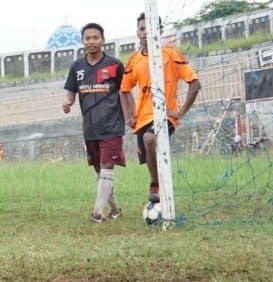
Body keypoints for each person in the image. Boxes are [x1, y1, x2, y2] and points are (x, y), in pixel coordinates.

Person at [120, 12, 202, 203]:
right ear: (137, 32)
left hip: (166, 116)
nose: (145, 33)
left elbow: (195, 84)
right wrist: (128, 116)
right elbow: (124, 90)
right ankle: (158, 185)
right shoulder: (134, 60)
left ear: (160, 31)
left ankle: (155, 185)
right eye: (142, 29)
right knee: (150, 149)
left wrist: (180, 113)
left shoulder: (170, 54)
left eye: (150, 28)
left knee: (150, 139)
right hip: (142, 118)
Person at [62, 22, 127, 222]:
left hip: (112, 125)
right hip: (90, 127)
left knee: (108, 164)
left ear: (103, 40)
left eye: (95, 38)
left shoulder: (115, 65)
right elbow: (71, 90)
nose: (91, 41)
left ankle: (97, 213)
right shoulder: (77, 67)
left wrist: (129, 117)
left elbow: (124, 93)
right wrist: (68, 102)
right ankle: (115, 209)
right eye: (87, 38)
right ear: (82, 41)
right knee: (100, 169)